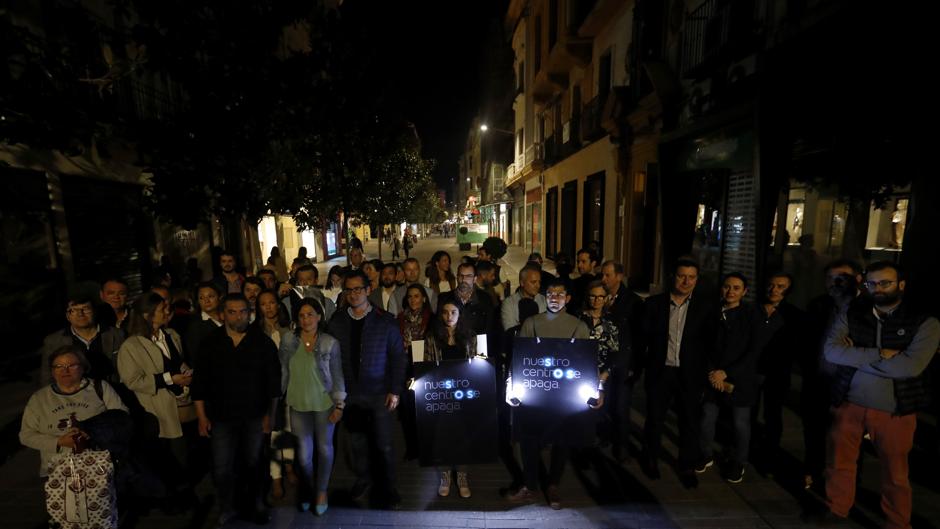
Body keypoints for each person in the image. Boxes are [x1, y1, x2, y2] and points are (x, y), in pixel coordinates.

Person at [817, 262, 938, 528]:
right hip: (849, 401)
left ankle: (897, 521)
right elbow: (831, 351)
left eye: (885, 283)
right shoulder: (853, 312)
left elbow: (909, 366)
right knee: (839, 462)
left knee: (895, 472)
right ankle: (836, 508)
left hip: (895, 408)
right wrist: (878, 354)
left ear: (901, 285)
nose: (877, 289)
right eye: (871, 284)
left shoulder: (924, 321)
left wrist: (855, 355)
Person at [191, 294, 281, 526]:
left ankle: (257, 504)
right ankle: (228, 506)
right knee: (222, 467)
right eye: (232, 311)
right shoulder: (210, 343)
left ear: (250, 313)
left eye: (243, 311)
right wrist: (201, 416)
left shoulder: (262, 343)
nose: (238, 316)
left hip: (254, 415)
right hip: (220, 417)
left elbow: (273, 386)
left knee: (254, 463)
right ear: (223, 314)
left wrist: (270, 416)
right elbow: (199, 383)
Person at [508, 278, 591, 509]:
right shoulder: (531, 323)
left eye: (560, 294)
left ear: (568, 298)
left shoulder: (579, 326)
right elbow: (519, 358)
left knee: (561, 440)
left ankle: (553, 484)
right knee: (528, 438)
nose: (555, 298)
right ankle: (530, 484)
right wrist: (511, 386)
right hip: (534, 391)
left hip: (565, 395)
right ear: (545, 297)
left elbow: (585, 362)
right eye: (551, 294)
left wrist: (595, 389)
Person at [326, 270, 406, 509]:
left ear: (368, 290)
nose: (353, 294)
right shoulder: (337, 321)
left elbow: (398, 358)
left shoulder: (385, 320)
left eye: (358, 289)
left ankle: (388, 487)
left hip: (380, 392)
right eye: (348, 290)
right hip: (350, 394)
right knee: (357, 443)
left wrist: (395, 390)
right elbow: (329, 359)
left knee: (383, 444)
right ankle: (364, 478)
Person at [641, 258, 717, 487]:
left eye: (691, 277)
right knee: (654, 419)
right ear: (673, 277)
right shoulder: (654, 304)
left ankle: (686, 466)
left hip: (689, 374)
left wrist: (708, 373)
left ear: (697, 279)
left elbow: (711, 343)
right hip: (660, 371)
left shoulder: (706, 307)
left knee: (689, 422)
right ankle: (651, 460)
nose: (686, 281)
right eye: (682, 276)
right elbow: (643, 338)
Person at [117, 292, 193, 498]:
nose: (167, 312)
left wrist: (185, 372)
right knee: (166, 456)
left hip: (181, 406)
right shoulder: (131, 346)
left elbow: (178, 361)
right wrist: (169, 378)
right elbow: (132, 380)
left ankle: (182, 491)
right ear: (147, 315)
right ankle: (170, 496)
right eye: (161, 309)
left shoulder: (172, 336)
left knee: (184, 454)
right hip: (156, 411)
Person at [800, 259, 863, 490]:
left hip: (851, 385)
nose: (834, 283)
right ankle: (813, 472)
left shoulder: (866, 309)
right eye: (830, 278)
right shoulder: (818, 305)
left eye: (841, 277)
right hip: (818, 379)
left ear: (857, 279)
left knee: (847, 437)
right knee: (814, 431)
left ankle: (847, 484)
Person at [278, 298, 345, 515]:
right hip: (297, 404)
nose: (306, 319)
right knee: (304, 454)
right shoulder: (288, 340)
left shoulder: (329, 342)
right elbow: (282, 371)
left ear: (319, 316)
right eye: (301, 315)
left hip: (324, 404)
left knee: (325, 450)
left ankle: (321, 491)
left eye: (310, 314)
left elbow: (337, 375)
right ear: (296, 319)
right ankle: (307, 489)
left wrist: (339, 405)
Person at [696, 273, 763, 484]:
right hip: (712, 376)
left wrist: (727, 373)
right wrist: (712, 372)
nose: (730, 292)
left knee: (740, 424)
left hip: (740, 379)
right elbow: (702, 344)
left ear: (744, 291)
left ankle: (738, 462)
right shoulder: (712, 312)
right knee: (707, 418)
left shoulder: (751, 315)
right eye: (727, 287)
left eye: (736, 288)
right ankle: (705, 454)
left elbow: (753, 351)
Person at [21, 346, 128, 477]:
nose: (65, 371)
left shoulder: (100, 388)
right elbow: (26, 435)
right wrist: (59, 441)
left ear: (83, 367)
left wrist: (92, 432)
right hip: (58, 472)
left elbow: (122, 417)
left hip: (99, 467)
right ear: (52, 371)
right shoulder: (39, 398)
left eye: (72, 365)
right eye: (58, 366)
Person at [424, 301, 479, 498]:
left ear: (460, 314)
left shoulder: (470, 337)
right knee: (443, 435)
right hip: (441, 393)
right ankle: (445, 474)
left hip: (463, 392)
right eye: (445, 312)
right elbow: (428, 366)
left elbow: (475, 365)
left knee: (463, 434)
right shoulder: (432, 337)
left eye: (453, 312)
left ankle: (462, 475)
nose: (449, 316)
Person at [752, 272, 806, 474]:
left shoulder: (795, 315)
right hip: (753, 370)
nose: (774, 290)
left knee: (772, 415)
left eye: (780, 286)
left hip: (778, 372)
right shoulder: (753, 309)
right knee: (748, 411)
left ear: (788, 290)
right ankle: (750, 447)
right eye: (771, 285)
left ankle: (769, 454)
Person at [600, 260, 644, 462]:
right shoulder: (601, 297)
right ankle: (606, 437)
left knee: (621, 405)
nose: (604, 279)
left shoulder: (633, 302)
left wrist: (636, 366)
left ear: (619, 276)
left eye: (608, 275)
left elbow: (639, 337)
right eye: (603, 275)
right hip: (604, 359)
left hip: (624, 360)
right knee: (605, 401)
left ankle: (622, 444)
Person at [253, 290, 296, 500]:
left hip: (290, 390)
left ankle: (289, 468)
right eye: (263, 303)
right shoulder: (256, 333)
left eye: (272, 302)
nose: (269, 307)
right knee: (272, 436)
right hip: (267, 393)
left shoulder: (289, 329)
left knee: (287, 431)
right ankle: (276, 478)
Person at [39, 296, 125, 388]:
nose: (80, 314)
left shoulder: (117, 335)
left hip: (112, 390)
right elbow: (47, 376)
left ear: (94, 311)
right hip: (73, 395)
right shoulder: (54, 341)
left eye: (85, 309)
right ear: (68, 316)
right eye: (74, 310)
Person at [578, 280, 621, 445]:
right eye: (593, 296)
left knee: (599, 411)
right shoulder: (578, 317)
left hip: (603, 372)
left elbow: (615, 351)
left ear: (606, 298)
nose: (597, 300)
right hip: (580, 371)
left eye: (601, 297)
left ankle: (595, 446)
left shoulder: (611, 322)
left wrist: (605, 374)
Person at [184, 282, 224, 364]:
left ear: (220, 297)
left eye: (211, 296)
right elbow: (196, 356)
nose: (206, 301)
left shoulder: (228, 317)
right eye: (201, 298)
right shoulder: (195, 325)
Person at [569, 248, 599, 315]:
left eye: (583, 261)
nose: (579, 265)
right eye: (578, 262)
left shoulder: (599, 283)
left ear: (593, 263)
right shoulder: (575, 282)